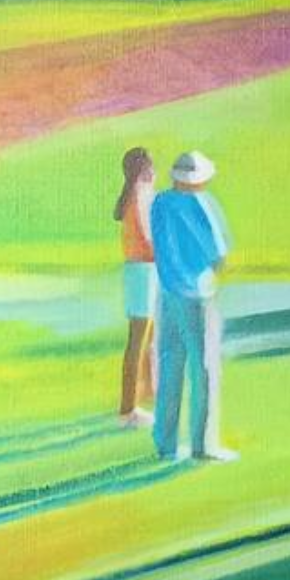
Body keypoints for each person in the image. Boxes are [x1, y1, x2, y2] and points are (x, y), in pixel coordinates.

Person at [149, 150, 235, 462]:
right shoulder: (200, 204)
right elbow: (218, 254)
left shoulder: (160, 202)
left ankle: (166, 443)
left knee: (170, 364)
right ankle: (203, 445)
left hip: (168, 291)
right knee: (204, 367)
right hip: (196, 294)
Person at [114, 148, 158, 428]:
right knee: (138, 339)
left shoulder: (138, 193)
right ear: (145, 169)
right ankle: (128, 410)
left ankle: (149, 393)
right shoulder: (139, 193)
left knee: (148, 335)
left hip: (141, 270)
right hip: (142, 270)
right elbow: (145, 237)